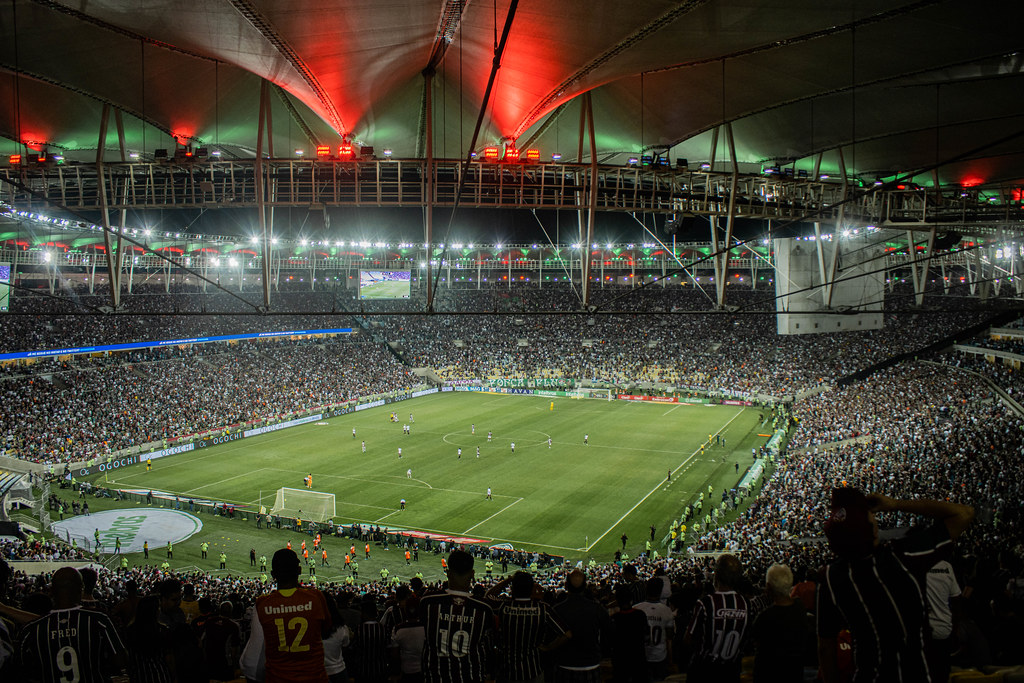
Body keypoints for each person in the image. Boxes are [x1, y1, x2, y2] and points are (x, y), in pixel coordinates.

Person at [817, 488, 974, 683]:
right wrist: (895, 504)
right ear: (871, 528)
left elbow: (826, 646)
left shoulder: (831, 578)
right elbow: (963, 513)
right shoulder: (903, 557)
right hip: (917, 675)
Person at [19, 567, 127, 683]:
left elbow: (20, 671)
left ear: (51, 591)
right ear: (81, 589)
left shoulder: (31, 629)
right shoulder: (100, 619)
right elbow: (121, 660)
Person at [240, 548, 332, 682]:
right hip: (314, 677)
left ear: (272, 574)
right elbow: (326, 630)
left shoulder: (263, 604)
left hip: (278, 677)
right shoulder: (316, 598)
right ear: (299, 571)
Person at [685, 554, 766, 682]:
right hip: (731, 671)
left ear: (717, 575)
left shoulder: (705, 603)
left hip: (703, 671)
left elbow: (688, 638)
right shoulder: (746, 604)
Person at [421, 550, 495, 683]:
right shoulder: (484, 609)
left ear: (448, 573)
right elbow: (488, 647)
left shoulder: (428, 603)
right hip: (471, 677)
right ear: (472, 574)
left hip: (436, 677)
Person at [485, 571, 570, 683]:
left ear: (513, 589)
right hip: (533, 670)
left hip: (508, 671)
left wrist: (509, 580)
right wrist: (548, 647)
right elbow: (567, 634)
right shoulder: (542, 608)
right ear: (531, 589)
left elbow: (488, 596)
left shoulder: (504, 606)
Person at [552, 569, 613, 682]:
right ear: (585, 586)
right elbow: (610, 635)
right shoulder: (597, 609)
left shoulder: (556, 610)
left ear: (566, 586)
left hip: (565, 666)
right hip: (590, 665)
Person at [751, 564, 807, 682]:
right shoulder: (800, 608)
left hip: (770, 674)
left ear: (768, 587)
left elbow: (755, 645)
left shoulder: (764, 618)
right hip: (795, 673)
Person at [634, 577, 675, 681]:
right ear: (660, 591)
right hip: (660, 655)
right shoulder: (667, 611)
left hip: (641, 655)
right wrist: (670, 661)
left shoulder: (636, 608)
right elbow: (669, 639)